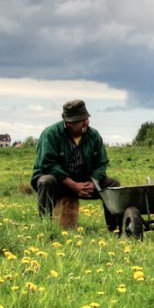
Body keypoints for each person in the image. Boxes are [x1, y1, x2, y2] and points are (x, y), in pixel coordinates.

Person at [30, 99, 120, 231]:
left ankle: (115, 230)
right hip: (59, 183)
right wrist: (73, 185)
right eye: (80, 120)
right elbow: (48, 164)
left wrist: (92, 182)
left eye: (86, 118)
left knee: (113, 185)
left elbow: (101, 163)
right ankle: (46, 229)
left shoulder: (93, 135)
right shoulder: (50, 134)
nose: (85, 123)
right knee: (45, 181)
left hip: (85, 182)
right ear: (68, 123)